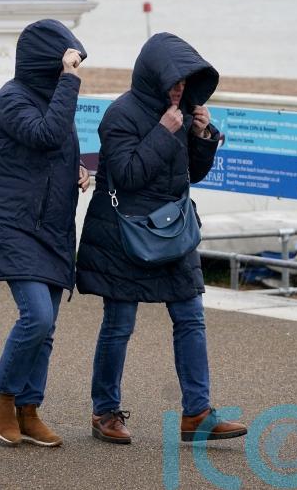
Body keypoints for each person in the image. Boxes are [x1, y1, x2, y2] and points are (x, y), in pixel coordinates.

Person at [76, 32, 248, 444]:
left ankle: (197, 414)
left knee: (190, 316)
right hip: (125, 233)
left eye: (184, 83)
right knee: (119, 323)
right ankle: (105, 412)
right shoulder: (120, 115)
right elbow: (128, 175)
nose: (179, 90)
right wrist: (163, 131)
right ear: (153, 77)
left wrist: (203, 137)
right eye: (173, 82)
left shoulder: (182, 113)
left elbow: (191, 173)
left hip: (173, 229)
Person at [0, 19, 90, 447]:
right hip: (14, 224)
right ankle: (1, 397)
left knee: (48, 328)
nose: (71, 69)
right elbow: (45, 136)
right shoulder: (11, 99)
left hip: (52, 226)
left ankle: (28, 409)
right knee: (37, 317)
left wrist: (79, 170)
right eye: (66, 62)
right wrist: (69, 81)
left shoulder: (52, 98)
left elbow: (56, 148)